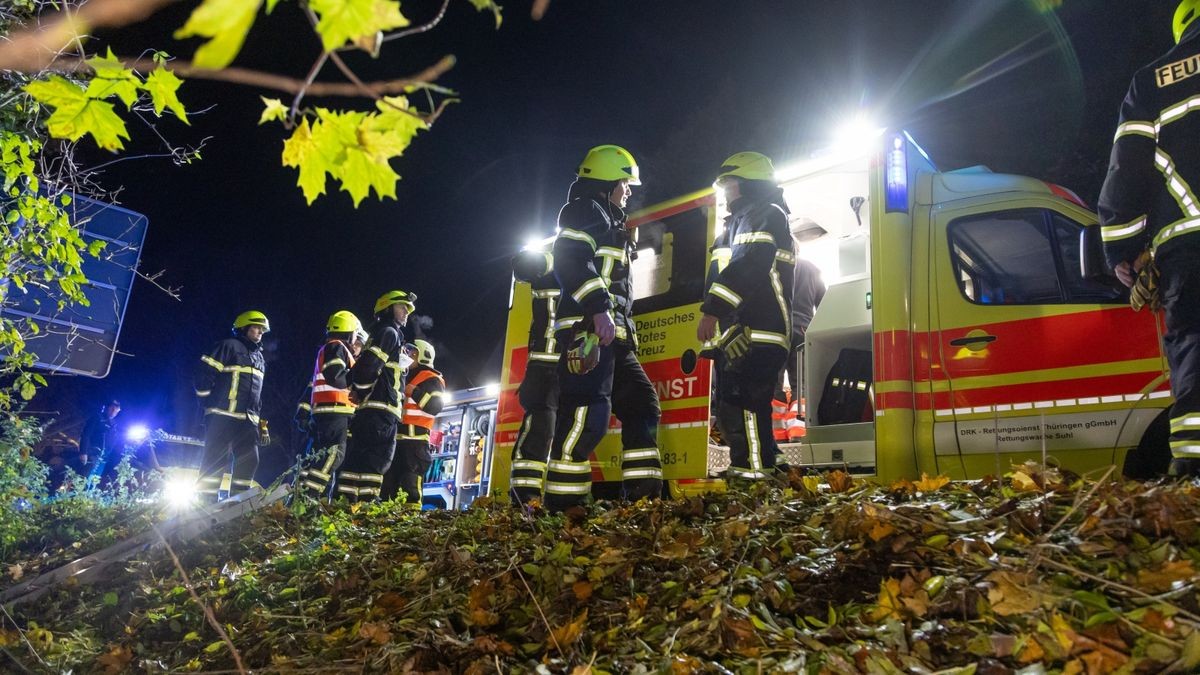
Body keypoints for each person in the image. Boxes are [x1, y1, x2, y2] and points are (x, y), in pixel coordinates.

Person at [1099, 1, 1200, 478]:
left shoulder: (1154, 81)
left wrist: (1124, 252)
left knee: (1196, 358)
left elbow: (1128, 170)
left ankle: (1196, 482)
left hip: (1190, 253)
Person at [543, 145, 662, 511]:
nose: (628, 190)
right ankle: (563, 508)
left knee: (642, 404)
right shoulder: (584, 211)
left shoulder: (609, 220)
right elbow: (570, 259)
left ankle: (642, 502)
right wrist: (598, 309)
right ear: (608, 181)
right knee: (586, 415)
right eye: (625, 182)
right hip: (588, 331)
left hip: (615, 337)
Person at [696, 152, 795, 483]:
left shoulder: (761, 214)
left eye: (730, 183)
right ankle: (771, 467)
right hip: (745, 331)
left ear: (747, 184)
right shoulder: (742, 221)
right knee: (741, 407)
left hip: (758, 331)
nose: (726, 191)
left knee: (744, 406)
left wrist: (712, 311)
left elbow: (750, 265)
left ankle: (753, 482)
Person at [336, 290, 415, 502]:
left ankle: (347, 504)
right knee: (377, 460)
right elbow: (370, 367)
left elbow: (362, 366)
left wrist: (358, 390)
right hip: (382, 408)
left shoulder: (380, 334)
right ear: (387, 308)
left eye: (408, 309)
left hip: (370, 409)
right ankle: (366, 506)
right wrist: (360, 390)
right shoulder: (390, 332)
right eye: (402, 307)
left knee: (357, 460)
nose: (406, 312)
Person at [194, 310, 269, 501]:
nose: (260, 332)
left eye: (262, 329)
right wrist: (206, 402)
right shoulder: (227, 346)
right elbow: (204, 375)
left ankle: (239, 502)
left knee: (251, 460)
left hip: (247, 420)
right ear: (243, 327)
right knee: (215, 459)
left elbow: (256, 395)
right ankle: (205, 501)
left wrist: (262, 425)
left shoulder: (259, 358)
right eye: (256, 327)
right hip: (222, 415)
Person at [508, 249, 561, 505]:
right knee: (539, 430)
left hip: (568, 365)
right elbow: (524, 266)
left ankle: (548, 499)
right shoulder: (557, 257)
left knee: (558, 432)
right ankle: (524, 500)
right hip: (545, 366)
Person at [297, 311, 362, 499]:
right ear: (349, 331)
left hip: (326, 413)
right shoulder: (336, 347)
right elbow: (336, 375)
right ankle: (310, 498)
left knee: (320, 456)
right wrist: (356, 387)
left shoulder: (330, 348)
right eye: (355, 333)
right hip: (335, 411)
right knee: (334, 454)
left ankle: (303, 498)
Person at [382, 339, 445, 505]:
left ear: (423, 356)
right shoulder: (403, 375)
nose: (408, 355)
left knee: (410, 487)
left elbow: (435, 406)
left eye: (412, 353)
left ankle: (410, 523)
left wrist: (415, 392)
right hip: (396, 440)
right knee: (389, 486)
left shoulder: (432, 379)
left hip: (415, 442)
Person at [79, 399, 120, 484]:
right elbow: (86, 435)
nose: (113, 411)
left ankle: (86, 495)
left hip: (103, 458)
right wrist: (83, 452)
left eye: (116, 410)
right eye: (112, 408)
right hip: (92, 453)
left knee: (94, 481)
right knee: (83, 479)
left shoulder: (114, 425)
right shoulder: (97, 418)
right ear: (107, 408)